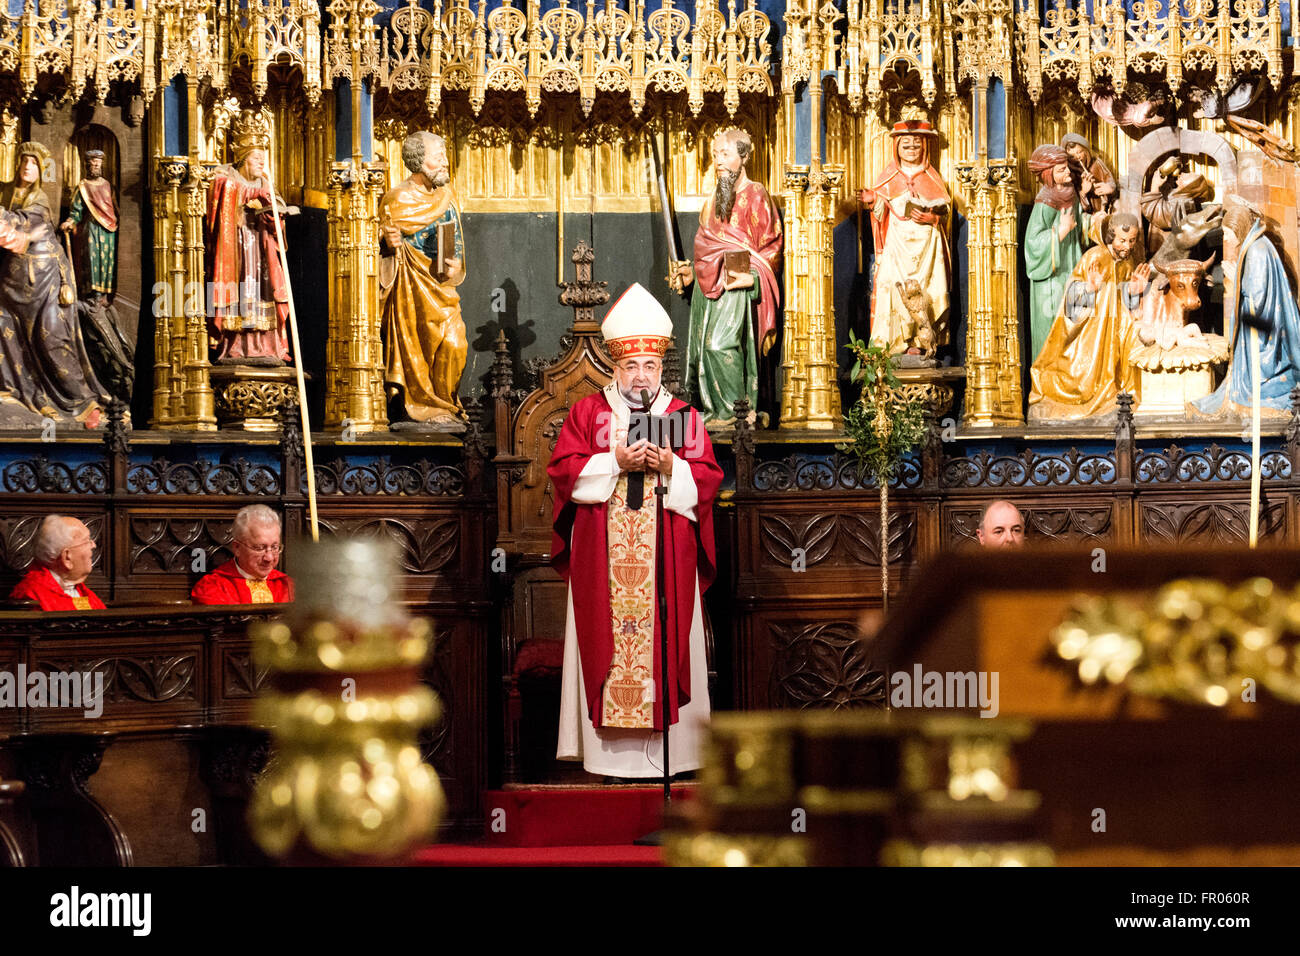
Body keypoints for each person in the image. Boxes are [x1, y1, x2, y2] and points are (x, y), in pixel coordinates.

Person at [547, 283, 724, 778]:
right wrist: (613, 461)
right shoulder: (590, 413)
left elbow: (708, 479)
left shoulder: (682, 417)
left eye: (649, 366)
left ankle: (677, 757)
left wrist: (673, 466)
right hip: (602, 562)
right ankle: (609, 762)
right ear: (614, 367)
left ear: (661, 367)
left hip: (668, 560)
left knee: (670, 637)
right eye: (631, 366)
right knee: (606, 636)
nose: (640, 376)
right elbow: (563, 473)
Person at [672, 128, 783, 427]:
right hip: (708, 289)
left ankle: (738, 412)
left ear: (744, 157)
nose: (718, 161)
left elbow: (770, 248)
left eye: (725, 154)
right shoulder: (713, 200)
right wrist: (691, 273)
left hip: (735, 285)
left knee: (720, 346)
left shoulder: (757, 194)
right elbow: (707, 248)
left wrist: (755, 278)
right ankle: (716, 414)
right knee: (701, 351)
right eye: (715, 155)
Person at [0, 141, 107, 427]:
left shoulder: (40, 202)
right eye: (24, 161)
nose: (27, 167)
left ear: (41, 169)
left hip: (43, 281)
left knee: (51, 339)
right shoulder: (5, 192)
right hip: (10, 283)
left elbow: (16, 229)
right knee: (3, 328)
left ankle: (82, 403)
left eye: (34, 163)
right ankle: (11, 393)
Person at [379, 131, 467, 428]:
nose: (445, 162)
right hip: (409, 291)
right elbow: (373, 246)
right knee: (416, 349)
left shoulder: (447, 195)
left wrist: (455, 267)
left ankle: (444, 403)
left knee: (455, 343)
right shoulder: (397, 198)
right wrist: (386, 242)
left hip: (441, 288)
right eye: (437, 156)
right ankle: (422, 406)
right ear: (419, 161)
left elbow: (455, 247)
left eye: (444, 156)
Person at [1030, 212, 1151, 422]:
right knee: (1084, 381)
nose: (1128, 246)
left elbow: (1126, 303)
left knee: (1137, 341)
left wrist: (1134, 292)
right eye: (1123, 241)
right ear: (1111, 237)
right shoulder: (1095, 257)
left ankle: (1125, 396)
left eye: (1132, 241)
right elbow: (1071, 301)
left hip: (1117, 328)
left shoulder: (1128, 261)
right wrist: (1090, 288)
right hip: (1090, 332)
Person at [1191, 201, 1300, 420]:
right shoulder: (1257, 245)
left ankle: (1256, 391)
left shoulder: (1257, 251)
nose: (1226, 239)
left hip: (1263, 329)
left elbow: (1257, 301)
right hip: (1263, 322)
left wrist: (1234, 281)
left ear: (1239, 228)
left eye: (1228, 233)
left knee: (1249, 390)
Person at [206, 112, 294, 366]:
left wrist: (272, 210)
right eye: (256, 158)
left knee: (264, 292)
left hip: (260, 249)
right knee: (240, 289)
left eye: (263, 159)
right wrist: (250, 195)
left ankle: (267, 345)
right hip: (236, 250)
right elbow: (219, 201)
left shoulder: (266, 181)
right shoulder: (226, 176)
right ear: (244, 157)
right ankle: (236, 346)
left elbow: (276, 209)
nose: (260, 164)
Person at [859, 119, 951, 355]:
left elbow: (945, 214)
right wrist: (873, 202)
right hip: (897, 244)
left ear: (924, 148)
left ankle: (921, 342)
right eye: (906, 144)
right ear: (897, 147)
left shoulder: (932, 177)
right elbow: (881, 212)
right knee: (894, 288)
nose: (911, 149)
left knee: (926, 290)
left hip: (927, 248)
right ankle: (897, 342)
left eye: (916, 145)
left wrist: (933, 219)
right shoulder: (888, 177)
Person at [62, 147, 132, 405]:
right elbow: (77, 211)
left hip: (109, 230)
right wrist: (71, 220)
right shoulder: (82, 187)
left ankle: (103, 296)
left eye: (98, 162)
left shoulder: (107, 186)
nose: (95, 166)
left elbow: (115, 209)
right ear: (86, 164)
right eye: (91, 162)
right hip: (91, 229)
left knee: (107, 263)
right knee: (92, 262)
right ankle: (93, 295)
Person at [1025, 144, 1088, 362]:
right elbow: (1032, 243)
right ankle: (1049, 378)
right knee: (1054, 323)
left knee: (1077, 319)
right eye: (1061, 170)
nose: (1068, 173)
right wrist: (1060, 231)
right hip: (1051, 278)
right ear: (1048, 174)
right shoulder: (1045, 201)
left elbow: (1079, 226)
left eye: (1067, 168)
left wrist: (1095, 222)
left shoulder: (1070, 195)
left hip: (1072, 268)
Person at [191, 504, 294, 604]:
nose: (269, 558)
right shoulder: (213, 587)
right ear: (237, 548)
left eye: (274, 547)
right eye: (259, 548)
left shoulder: (287, 586)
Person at [9, 515, 105, 610]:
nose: (93, 545)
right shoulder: (31, 595)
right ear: (67, 557)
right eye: (86, 541)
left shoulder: (81, 590)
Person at [1140, 157, 1215, 257]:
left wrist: (1155, 186)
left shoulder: (1185, 204)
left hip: (1167, 254)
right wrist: (1163, 171)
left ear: (1191, 186)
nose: (1183, 174)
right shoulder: (1178, 194)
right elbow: (1164, 191)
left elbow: (1157, 214)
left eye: (1188, 175)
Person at [1062, 133, 1116, 216]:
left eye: (1079, 152)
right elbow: (1070, 207)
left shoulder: (1096, 163)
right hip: (1085, 217)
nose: (1077, 157)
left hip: (1104, 210)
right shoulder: (1068, 174)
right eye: (1072, 157)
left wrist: (1110, 188)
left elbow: (1110, 181)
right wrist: (1083, 192)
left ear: (1086, 151)